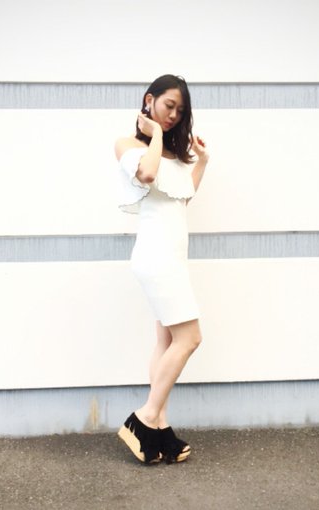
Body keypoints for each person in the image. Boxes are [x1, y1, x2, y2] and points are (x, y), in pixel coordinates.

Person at [114, 74, 209, 464]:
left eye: (180, 111)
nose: (173, 116)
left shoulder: (171, 154)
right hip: (156, 258)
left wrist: (203, 161)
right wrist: (153, 135)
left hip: (172, 258)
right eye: (169, 106)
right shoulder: (128, 145)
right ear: (149, 99)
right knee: (190, 338)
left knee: (166, 341)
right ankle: (144, 418)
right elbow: (147, 175)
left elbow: (183, 196)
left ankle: (160, 428)